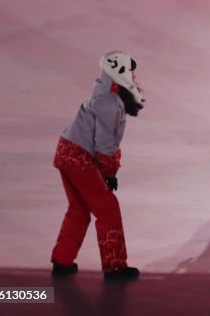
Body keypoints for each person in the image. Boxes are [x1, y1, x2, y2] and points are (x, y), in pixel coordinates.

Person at [50, 51, 144, 281]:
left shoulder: (103, 95)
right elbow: (105, 144)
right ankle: (114, 267)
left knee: (78, 210)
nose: (134, 75)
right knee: (108, 209)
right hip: (79, 158)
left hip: (66, 152)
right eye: (130, 71)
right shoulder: (111, 104)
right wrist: (109, 173)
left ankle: (62, 261)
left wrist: (106, 170)